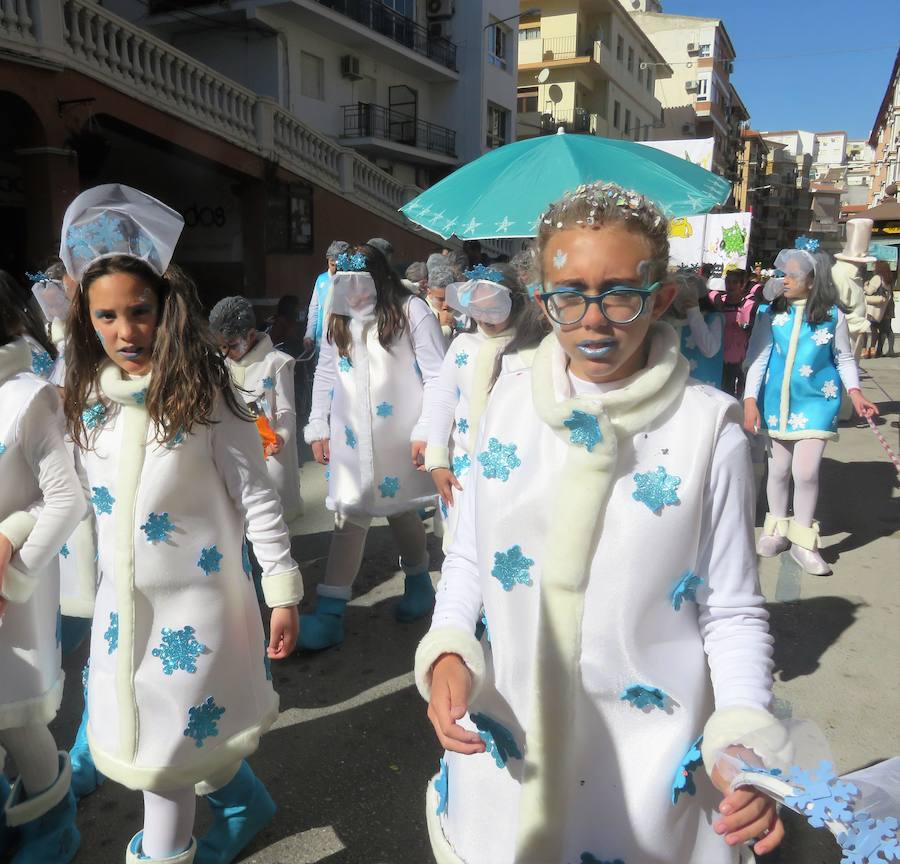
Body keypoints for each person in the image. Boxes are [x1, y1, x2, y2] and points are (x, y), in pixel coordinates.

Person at [415, 181, 787, 864]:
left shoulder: (711, 431)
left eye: (620, 293)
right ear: (541, 297)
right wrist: (446, 647)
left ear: (663, 297)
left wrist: (742, 734)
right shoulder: (507, 396)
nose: (593, 320)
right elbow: (469, 553)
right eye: (568, 295)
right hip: (510, 747)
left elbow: (732, 609)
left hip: (644, 772)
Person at [60, 183, 301, 864]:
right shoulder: (86, 404)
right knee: (179, 735)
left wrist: (281, 588)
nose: (125, 332)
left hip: (198, 615)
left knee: (164, 765)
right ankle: (246, 803)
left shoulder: (208, 396)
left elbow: (258, 497)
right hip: (121, 615)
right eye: (106, 316)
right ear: (86, 320)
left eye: (139, 311)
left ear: (166, 308)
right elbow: (76, 502)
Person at [301, 245, 445, 651]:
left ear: (380, 280)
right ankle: (331, 612)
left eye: (363, 285)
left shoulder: (411, 310)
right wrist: (318, 424)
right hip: (351, 436)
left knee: (399, 507)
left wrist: (427, 429)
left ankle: (418, 580)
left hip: (399, 433)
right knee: (351, 512)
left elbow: (438, 374)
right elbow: (326, 370)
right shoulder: (339, 315)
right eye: (347, 286)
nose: (356, 294)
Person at [1, 270, 86, 862]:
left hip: (10, 590)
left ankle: (53, 823)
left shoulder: (26, 395)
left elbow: (65, 499)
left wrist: (12, 564)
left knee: (12, 710)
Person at [743, 249, 878, 576]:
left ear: (813, 280)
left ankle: (804, 540)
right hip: (775, 405)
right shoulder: (770, 314)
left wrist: (855, 392)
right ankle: (776, 529)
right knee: (778, 471)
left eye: (792, 275)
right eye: (782, 274)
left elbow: (844, 358)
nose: (783, 280)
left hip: (818, 403)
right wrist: (749, 399)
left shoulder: (833, 316)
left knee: (805, 472)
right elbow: (758, 358)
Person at [27, 265, 103, 798]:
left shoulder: (126, 336)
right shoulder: (52, 351)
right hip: (67, 501)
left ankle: (90, 740)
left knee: (108, 628)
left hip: (115, 501)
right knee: (74, 618)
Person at [424, 263, 545, 549]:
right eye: (479, 308)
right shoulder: (463, 346)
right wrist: (437, 460)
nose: (486, 317)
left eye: (495, 308)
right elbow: (443, 400)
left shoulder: (532, 351)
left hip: (514, 469)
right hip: (463, 470)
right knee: (463, 544)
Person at [210, 296, 304, 535]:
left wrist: (281, 435)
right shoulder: (222, 363)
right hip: (235, 452)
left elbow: (286, 411)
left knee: (272, 518)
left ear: (251, 336)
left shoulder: (275, 364)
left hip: (270, 452)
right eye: (221, 346)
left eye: (231, 345)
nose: (226, 352)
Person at [666, 269, 725, 388]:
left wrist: (693, 310)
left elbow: (710, 350)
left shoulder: (713, 319)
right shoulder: (668, 320)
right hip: (673, 388)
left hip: (702, 389)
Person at [832, 219, 876, 359]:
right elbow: (835, 310)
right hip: (842, 339)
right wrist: (860, 323)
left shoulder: (854, 275)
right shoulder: (840, 274)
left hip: (853, 337)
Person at [711, 269, 756, 397]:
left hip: (740, 356)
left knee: (737, 392)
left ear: (742, 285)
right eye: (728, 282)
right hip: (719, 355)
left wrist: (743, 328)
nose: (730, 285)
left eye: (734, 282)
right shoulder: (719, 302)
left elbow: (753, 330)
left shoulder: (749, 305)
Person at [304, 241, 349, 352]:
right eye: (331, 264)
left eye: (338, 265)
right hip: (322, 339)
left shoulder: (349, 281)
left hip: (343, 341)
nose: (335, 269)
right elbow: (314, 308)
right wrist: (309, 334)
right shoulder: (321, 280)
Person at [863, 261, 893, 358]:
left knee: (866, 329)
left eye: (873, 266)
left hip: (872, 308)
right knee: (879, 330)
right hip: (882, 309)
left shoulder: (877, 278)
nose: (872, 269)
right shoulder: (887, 280)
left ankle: (865, 350)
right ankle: (874, 350)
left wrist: (865, 285)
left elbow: (869, 291)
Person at [425, 263, 458, 341]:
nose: (446, 304)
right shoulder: (421, 312)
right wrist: (442, 328)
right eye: (441, 299)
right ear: (429, 292)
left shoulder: (465, 311)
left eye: (450, 298)